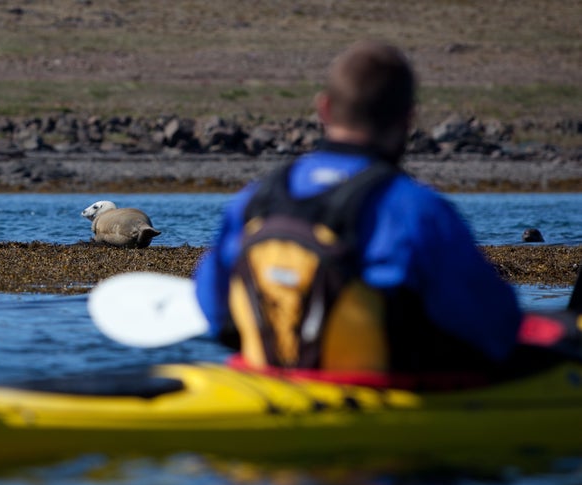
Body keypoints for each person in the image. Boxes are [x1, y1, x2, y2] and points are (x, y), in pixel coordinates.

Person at [193, 40, 522, 377]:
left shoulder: (255, 198)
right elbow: (496, 329)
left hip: (269, 385)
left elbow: (213, 306)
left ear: (324, 108)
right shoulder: (416, 210)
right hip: (376, 397)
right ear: (408, 119)